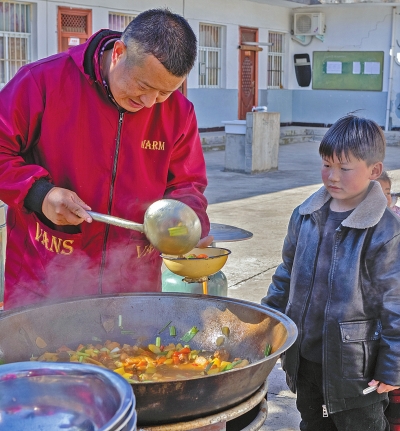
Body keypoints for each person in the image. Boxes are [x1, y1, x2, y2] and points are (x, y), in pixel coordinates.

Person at [0, 8, 213, 310]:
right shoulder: (42, 83)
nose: (150, 103)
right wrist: (39, 194)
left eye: (164, 93)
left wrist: (187, 222)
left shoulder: (179, 113)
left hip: (133, 287)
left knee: (132, 356)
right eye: (143, 86)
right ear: (119, 53)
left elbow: (188, 184)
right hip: (44, 282)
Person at [261, 114, 400, 431]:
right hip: (306, 358)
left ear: (374, 171)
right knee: (314, 421)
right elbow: (286, 274)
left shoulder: (386, 231)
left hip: (355, 368)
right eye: (327, 165)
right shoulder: (305, 215)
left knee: (359, 425)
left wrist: (392, 366)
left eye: (344, 168)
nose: (332, 176)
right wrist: (264, 323)